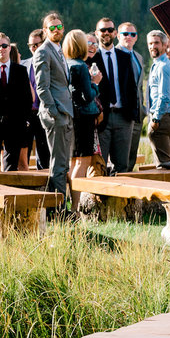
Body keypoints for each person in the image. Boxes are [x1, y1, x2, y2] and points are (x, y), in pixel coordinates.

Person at [33, 12, 75, 208]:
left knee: (63, 163)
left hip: (66, 113)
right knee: (58, 164)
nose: (57, 30)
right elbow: (42, 87)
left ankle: (59, 205)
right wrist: (55, 112)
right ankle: (58, 209)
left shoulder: (59, 51)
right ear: (45, 31)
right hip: (56, 115)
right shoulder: (43, 51)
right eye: (52, 28)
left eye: (59, 27)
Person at [90, 18, 139, 173]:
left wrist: (133, 114)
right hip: (101, 117)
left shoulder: (124, 57)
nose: (106, 33)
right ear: (97, 33)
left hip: (123, 117)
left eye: (110, 30)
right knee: (100, 165)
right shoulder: (91, 58)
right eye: (103, 30)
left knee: (123, 166)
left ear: (115, 33)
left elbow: (132, 87)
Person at [64, 29, 101, 208]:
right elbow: (88, 95)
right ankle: (76, 207)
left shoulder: (66, 64)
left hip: (71, 116)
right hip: (84, 118)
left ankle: (72, 204)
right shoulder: (80, 66)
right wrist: (95, 83)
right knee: (83, 160)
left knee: (73, 160)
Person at [0, 32, 32, 171]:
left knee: (11, 166)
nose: (1, 49)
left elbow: (27, 98)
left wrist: (24, 120)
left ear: (9, 47)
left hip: (15, 124)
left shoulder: (20, 70)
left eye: (4, 45)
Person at [146, 30, 170, 165]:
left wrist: (156, 118)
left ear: (165, 45)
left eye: (157, 43)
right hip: (165, 116)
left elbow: (164, 96)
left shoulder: (163, 66)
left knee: (163, 164)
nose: (153, 46)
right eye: (150, 43)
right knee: (163, 161)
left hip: (163, 117)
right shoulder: (158, 64)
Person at [117, 22, 146, 173]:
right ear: (118, 36)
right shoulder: (113, 55)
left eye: (132, 34)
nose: (129, 37)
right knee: (119, 158)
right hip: (120, 114)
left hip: (137, 114)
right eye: (125, 34)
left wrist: (143, 110)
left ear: (136, 38)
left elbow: (139, 87)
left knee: (131, 157)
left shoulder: (139, 57)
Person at [22, 29, 50, 170]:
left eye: (36, 44)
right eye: (31, 45)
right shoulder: (23, 65)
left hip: (44, 112)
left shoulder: (50, 64)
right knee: (24, 155)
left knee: (44, 154)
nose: (33, 48)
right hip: (28, 114)